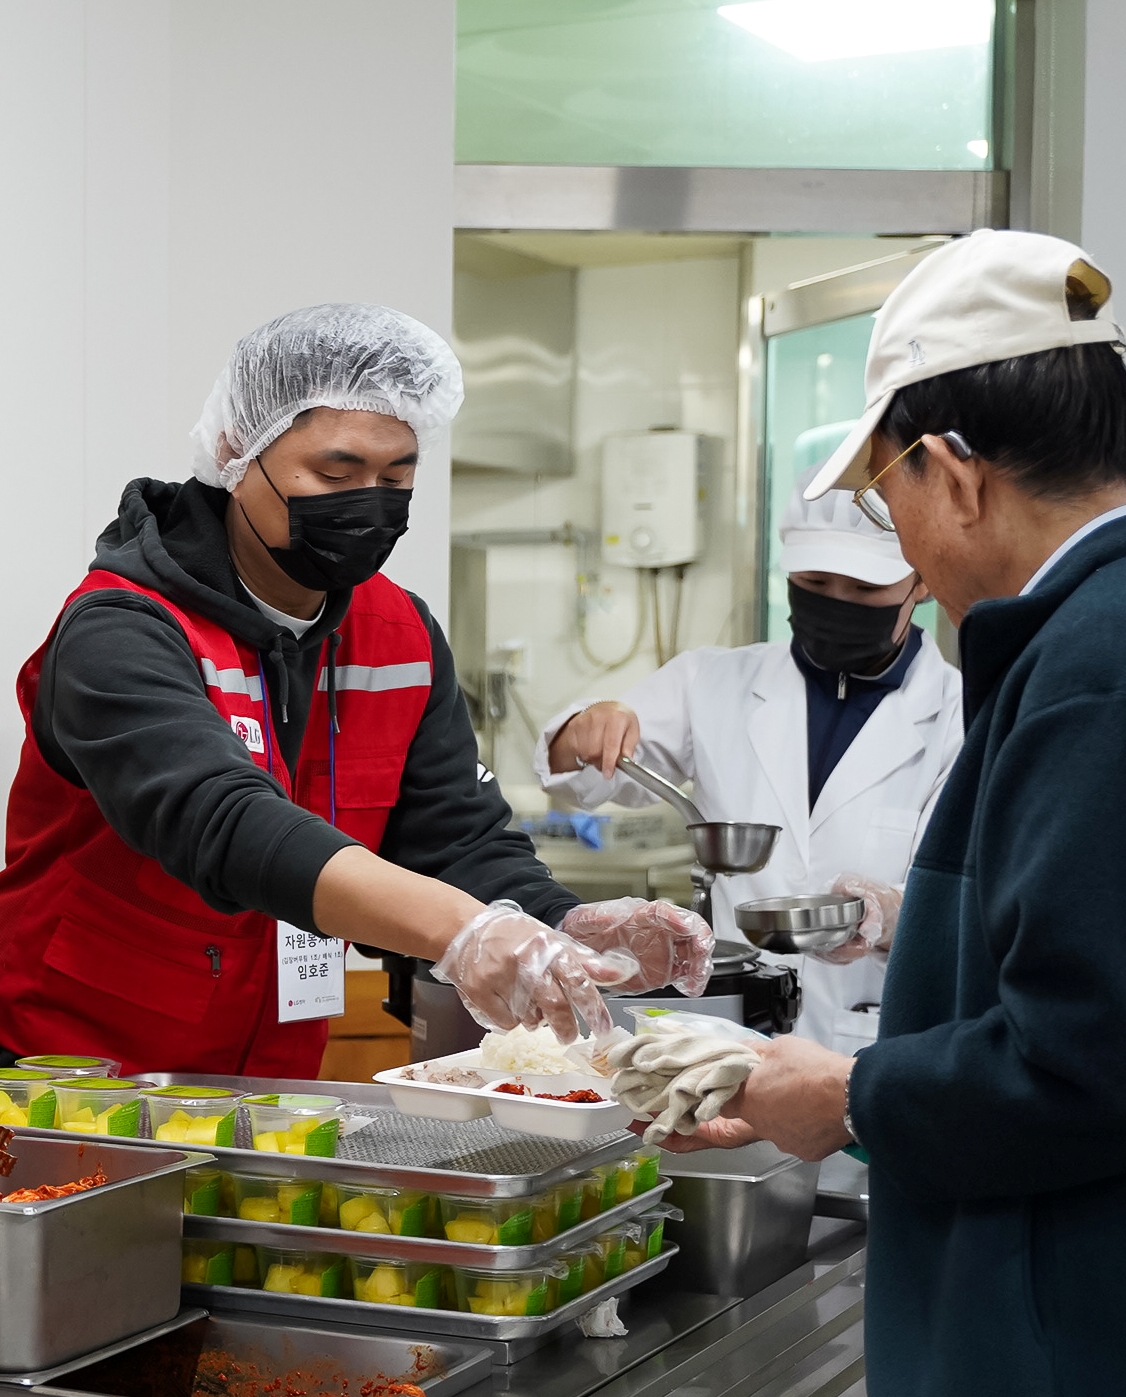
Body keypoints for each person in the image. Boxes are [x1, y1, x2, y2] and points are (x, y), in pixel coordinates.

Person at [659, 227, 1126, 1397]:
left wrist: (848, 1093)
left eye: (890, 495)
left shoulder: (1115, 668)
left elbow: (1112, 1067)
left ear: (955, 475)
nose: (902, 545)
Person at [0, 304, 710, 1076]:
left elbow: (452, 839)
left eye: (396, 475)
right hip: (71, 1075)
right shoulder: (121, 628)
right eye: (335, 474)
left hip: (267, 1079)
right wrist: (463, 931)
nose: (368, 501)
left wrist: (561, 921)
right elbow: (223, 821)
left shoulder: (398, 632)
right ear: (238, 449)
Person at [535, 489, 962, 1048]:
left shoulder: (963, 714)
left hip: (873, 1033)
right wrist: (588, 726)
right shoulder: (712, 682)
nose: (837, 602)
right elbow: (581, 779)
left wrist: (889, 913)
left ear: (921, 581)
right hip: (730, 1028)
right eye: (814, 584)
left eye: (864, 588)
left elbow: (967, 906)